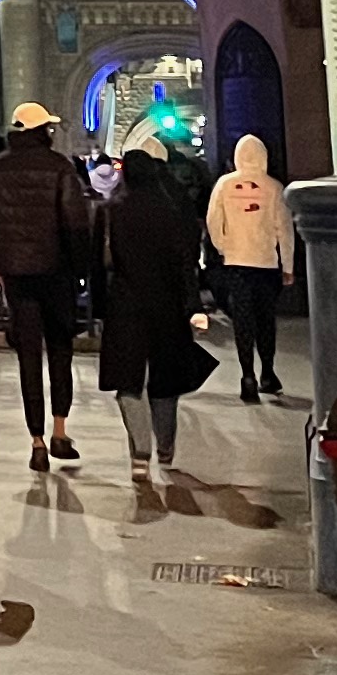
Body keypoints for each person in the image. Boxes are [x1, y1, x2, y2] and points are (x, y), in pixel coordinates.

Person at [0, 102, 97, 474]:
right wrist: (79, 270)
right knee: (60, 350)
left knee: (27, 356)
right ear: (43, 131)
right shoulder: (60, 168)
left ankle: (36, 441)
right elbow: (76, 225)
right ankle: (60, 431)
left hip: (18, 278)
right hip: (57, 275)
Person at [96, 140, 214, 474]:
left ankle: (139, 453)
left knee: (128, 381)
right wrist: (193, 305)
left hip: (125, 303)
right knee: (165, 381)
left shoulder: (113, 211)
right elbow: (184, 263)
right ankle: (166, 447)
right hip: (167, 303)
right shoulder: (171, 211)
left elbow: (101, 262)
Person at [204, 134, 294, 401]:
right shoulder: (274, 188)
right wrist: (287, 265)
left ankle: (247, 377)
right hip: (266, 264)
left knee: (242, 322)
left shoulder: (224, 185)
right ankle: (268, 372)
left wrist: (224, 247)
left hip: (236, 264)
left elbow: (213, 220)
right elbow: (284, 230)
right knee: (266, 320)